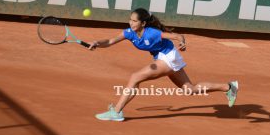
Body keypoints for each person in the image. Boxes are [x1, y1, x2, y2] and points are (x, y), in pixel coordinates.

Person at [88, 8, 239, 121]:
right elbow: (109, 41)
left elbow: (177, 36)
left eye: (134, 21)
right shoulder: (129, 32)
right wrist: (96, 43)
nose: (131, 23)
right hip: (163, 57)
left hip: (168, 57)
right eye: (130, 20)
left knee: (135, 77)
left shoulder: (151, 33)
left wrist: (182, 42)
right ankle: (229, 87)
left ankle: (117, 111)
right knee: (189, 90)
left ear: (143, 23)